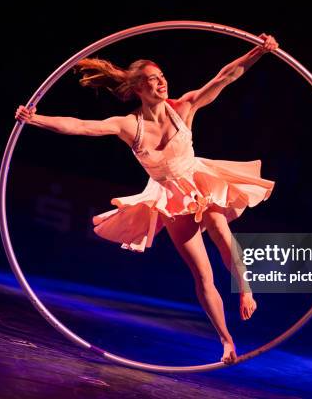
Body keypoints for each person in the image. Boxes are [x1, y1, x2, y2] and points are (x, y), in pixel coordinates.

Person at [15, 33, 278, 364]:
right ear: (138, 89)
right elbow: (80, 126)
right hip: (169, 197)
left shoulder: (184, 107)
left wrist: (259, 51)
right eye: (153, 81)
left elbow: (225, 77)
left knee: (219, 228)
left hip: (200, 180)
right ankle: (226, 341)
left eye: (162, 77)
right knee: (202, 274)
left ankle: (246, 288)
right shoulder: (129, 125)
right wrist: (34, 118)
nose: (161, 83)